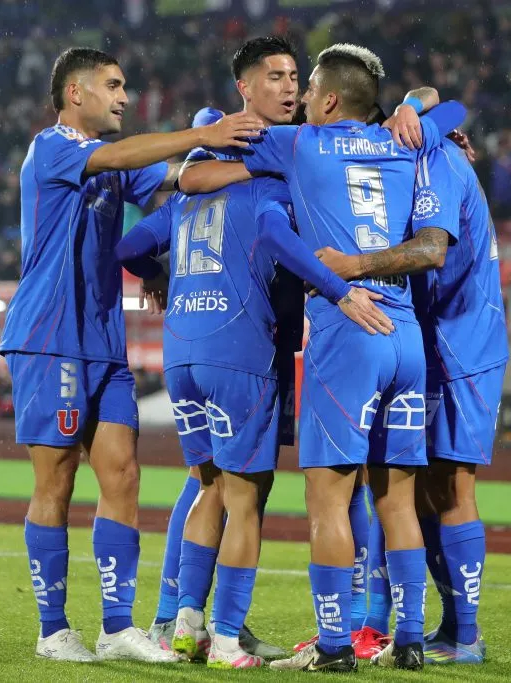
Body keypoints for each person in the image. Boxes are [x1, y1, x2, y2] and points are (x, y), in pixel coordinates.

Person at [181, 43, 465, 671]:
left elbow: (207, 143)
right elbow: (451, 107)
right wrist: (417, 104)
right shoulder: (406, 143)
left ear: (329, 100)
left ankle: (334, 649)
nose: (299, 99)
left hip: (345, 329)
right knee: (397, 499)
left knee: (329, 502)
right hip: (405, 332)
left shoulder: (301, 144)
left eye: (306, 89)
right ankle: (409, 640)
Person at [0, 46, 264, 663]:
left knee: (122, 473)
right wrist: (203, 132)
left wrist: (266, 170)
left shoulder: (116, 165)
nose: (123, 97)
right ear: (76, 94)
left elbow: (184, 178)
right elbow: (117, 155)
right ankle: (53, 629)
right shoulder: (54, 147)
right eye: (113, 86)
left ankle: (117, 628)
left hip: (102, 341)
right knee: (57, 480)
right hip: (48, 337)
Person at [316, 132, 509, 665]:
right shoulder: (411, 151)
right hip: (425, 341)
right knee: (404, 486)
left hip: (462, 344)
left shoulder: (436, 157)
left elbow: (431, 249)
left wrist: (351, 266)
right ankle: (407, 624)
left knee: (450, 484)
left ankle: (463, 635)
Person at [145, 35, 303, 662]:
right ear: (243, 87)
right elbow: (198, 178)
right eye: (274, 76)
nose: (289, 86)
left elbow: (142, 236)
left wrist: (158, 278)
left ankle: (179, 622)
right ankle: (227, 635)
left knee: (210, 483)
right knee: (243, 492)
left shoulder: (218, 159)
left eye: (295, 75)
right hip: (245, 347)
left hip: (188, 341)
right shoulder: (256, 151)